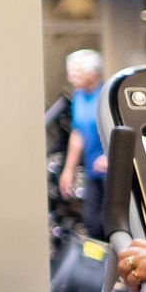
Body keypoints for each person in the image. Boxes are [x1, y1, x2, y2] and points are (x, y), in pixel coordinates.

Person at [58, 48, 109, 237]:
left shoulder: (106, 95)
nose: (71, 78)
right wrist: (68, 170)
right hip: (92, 171)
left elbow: (124, 131)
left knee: (110, 225)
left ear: (93, 74)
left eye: (76, 73)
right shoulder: (78, 97)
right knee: (92, 222)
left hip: (110, 172)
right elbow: (78, 134)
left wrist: (110, 157)